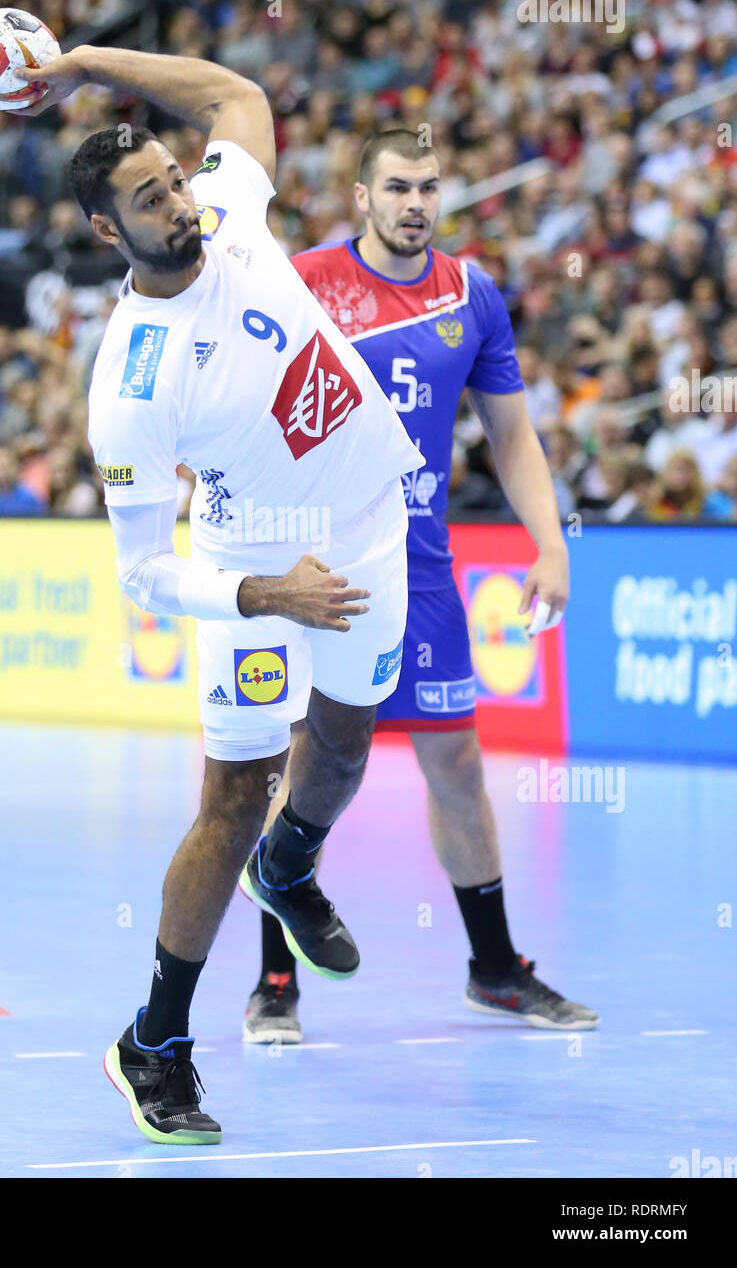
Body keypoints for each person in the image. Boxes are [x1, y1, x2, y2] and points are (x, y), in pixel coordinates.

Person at [16, 48, 423, 1144]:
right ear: (109, 233)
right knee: (235, 797)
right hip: (257, 561)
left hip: (372, 527)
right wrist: (266, 594)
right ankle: (154, 1041)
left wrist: (86, 63)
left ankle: (293, 867)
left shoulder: (233, 212)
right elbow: (143, 575)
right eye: (149, 199)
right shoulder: (133, 383)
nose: (178, 201)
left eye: (174, 177)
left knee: (340, 745)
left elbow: (238, 96)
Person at [242, 129, 599, 1044]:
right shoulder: (305, 282)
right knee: (293, 762)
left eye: (429, 188)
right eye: (396, 187)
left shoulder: (469, 294)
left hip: (423, 565)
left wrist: (549, 546)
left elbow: (513, 438)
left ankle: (493, 970)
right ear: (360, 196)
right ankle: (275, 979)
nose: (414, 203)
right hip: (315, 564)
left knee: (457, 764)